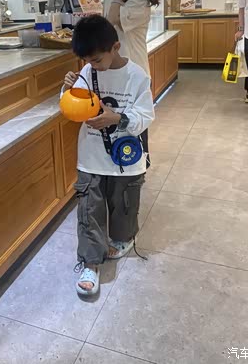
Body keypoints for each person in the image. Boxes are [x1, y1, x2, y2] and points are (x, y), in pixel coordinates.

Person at [63, 15, 154, 296]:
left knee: (123, 205)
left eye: (97, 60)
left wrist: (117, 118)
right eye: (87, 61)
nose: (93, 66)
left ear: (115, 47)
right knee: (89, 209)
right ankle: (90, 263)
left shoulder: (137, 76)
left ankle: (122, 238)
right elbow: (71, 110)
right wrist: (69, 91)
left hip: (126, 160)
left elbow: (146, 116)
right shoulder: (87, 72)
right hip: (91, 157)